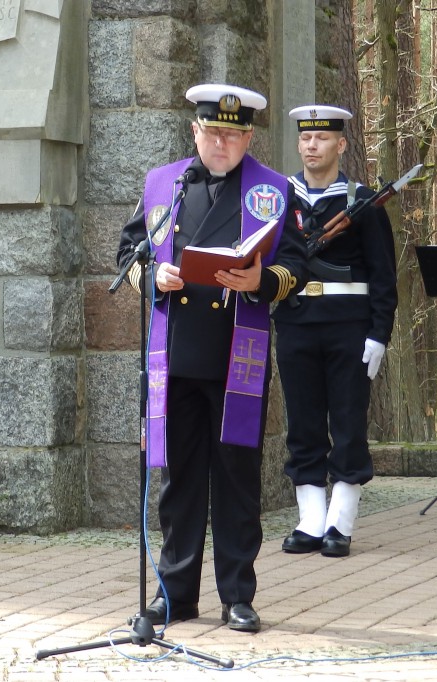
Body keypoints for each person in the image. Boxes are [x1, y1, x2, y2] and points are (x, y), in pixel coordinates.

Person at [117, 84, 308, 632]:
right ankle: (175, 595)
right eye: (213, 132)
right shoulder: (163, 184)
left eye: (234, 134)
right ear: (194, 131)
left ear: (249, 138)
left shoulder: (273, 190)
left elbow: (297, 266)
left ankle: (237, 596)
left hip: (236, 356)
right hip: (176, 355)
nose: (222, 143)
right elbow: (129, 252)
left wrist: (261, 281)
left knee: (236, 479)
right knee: (179, 481)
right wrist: (153, 275)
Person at [273, 105, 397, 558]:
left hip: (349, 327)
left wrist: (379, 334)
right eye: (306, 138)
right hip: (296, 322)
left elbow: (383, 275)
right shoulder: (279, 198)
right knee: (303, 423)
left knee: (347, 422)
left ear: (341, 145)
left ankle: (339, 521)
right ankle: (310, 519)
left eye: (322, 138)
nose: (312, 146)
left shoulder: (362, 202)